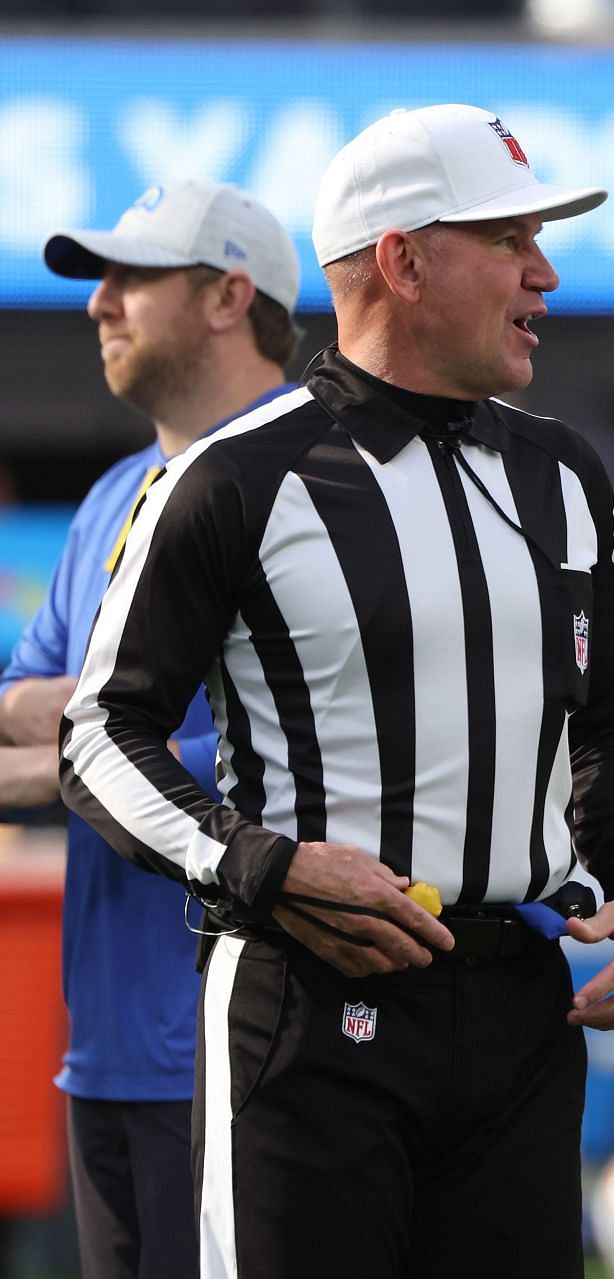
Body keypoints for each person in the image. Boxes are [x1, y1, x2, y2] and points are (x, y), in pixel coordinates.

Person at [58, 105, 614, 1279]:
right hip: (309, 1014)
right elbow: (99, 733)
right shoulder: (235, 479)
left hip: (519, 1011)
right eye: (508, 240)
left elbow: (600, 712)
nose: (544, 274)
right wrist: (261, 863)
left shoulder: (567, 473)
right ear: (401, 260)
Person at [0, 177, 302, 1279]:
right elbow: (23, 718)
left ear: (229, 296)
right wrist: (105, 730)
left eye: (133, 276)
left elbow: (270, 770)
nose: (99, 303)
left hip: (248, 1047)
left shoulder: (305, 488)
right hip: (111, 1051)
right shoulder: (114, 495)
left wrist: (78, 736)